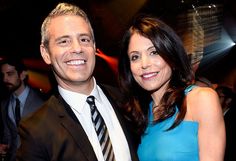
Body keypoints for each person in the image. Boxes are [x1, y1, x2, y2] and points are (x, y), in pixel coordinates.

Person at [16, 2, 138, 161]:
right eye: (64, 41)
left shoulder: (127, 102)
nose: (77, 48)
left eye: (84, 39)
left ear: (94, 47)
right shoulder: (36, 130)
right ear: (45, 53)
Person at [118, 15, 225, 161]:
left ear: (172, 56)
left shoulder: (201, 99)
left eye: (154, 52)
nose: (144, 64)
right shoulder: (142, 115)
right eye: (135, 57)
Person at [0, 57, 45, 161]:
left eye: (10, 74)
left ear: (23, 75)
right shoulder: (4, 105)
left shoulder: (42, 103)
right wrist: (4, 146)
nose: (4, 79)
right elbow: (8, 135)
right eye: (3, 75)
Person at [215, 85, 236, 161]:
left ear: (228, 100)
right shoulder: (216, 115)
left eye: (218, 96)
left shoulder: (231, 119)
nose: (214, 100)